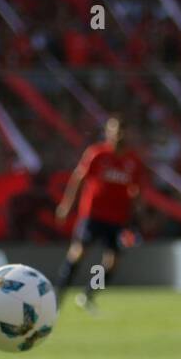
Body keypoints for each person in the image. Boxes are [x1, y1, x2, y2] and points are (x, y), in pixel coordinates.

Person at [53, 115, 147, 312]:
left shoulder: (133, 161)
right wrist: (67, 204)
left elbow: (137, 189)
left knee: (111, 263)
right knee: (78, 252)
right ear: (108, 132)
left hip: (118, 218)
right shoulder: (97, 154)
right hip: (93, 215)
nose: (118, 134)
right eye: (114, 130)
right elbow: (78, 179)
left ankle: (87, 294)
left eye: (122, 130)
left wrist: (139, 212)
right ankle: (57, 296)